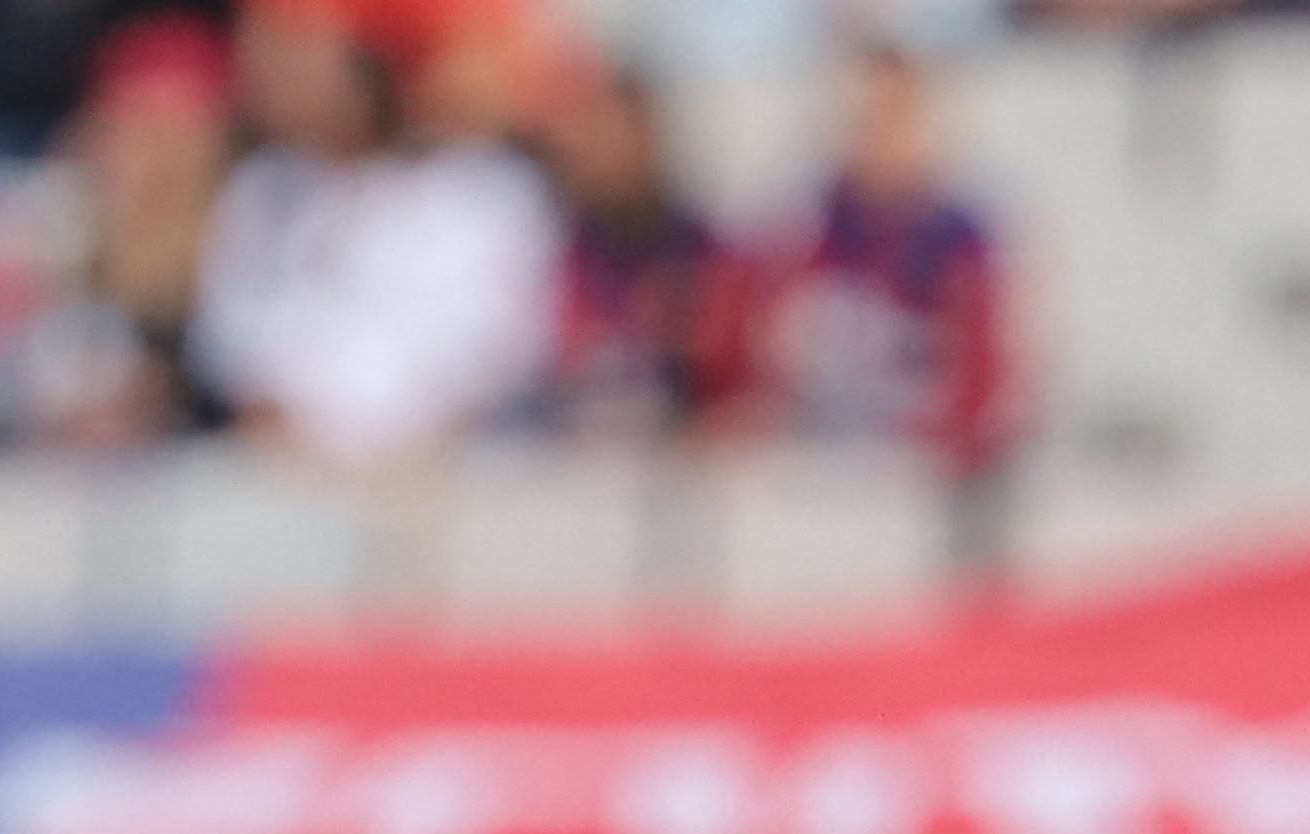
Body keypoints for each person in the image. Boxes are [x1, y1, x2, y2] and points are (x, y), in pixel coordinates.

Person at [190, 6, 560, 464]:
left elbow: (495, 357)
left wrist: (409, 462)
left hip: (452, 482)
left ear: (371, 66)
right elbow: (232, 349)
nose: (278, 79)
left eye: (304, 59)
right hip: (288, 482)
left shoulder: (484, 193)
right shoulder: (261, 190)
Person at [755, 46, 1009, 480]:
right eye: (863, 117)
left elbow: (984, 384)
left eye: (894, 115)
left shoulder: (965, 242)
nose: (878, 133)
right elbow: (759, 366)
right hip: (810, 469)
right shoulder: (800, 232)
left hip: (918, 476)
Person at [21, 12, 240, 445]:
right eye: (138, 127)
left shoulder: (244, 242)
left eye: (179, 134)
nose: (159, 158)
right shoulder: (56, 235)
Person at [532, 65, 749, 441]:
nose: (605, 155)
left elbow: (729, 383)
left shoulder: (701, 253)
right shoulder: (568, 253)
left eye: (618, 137)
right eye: (596, 139)